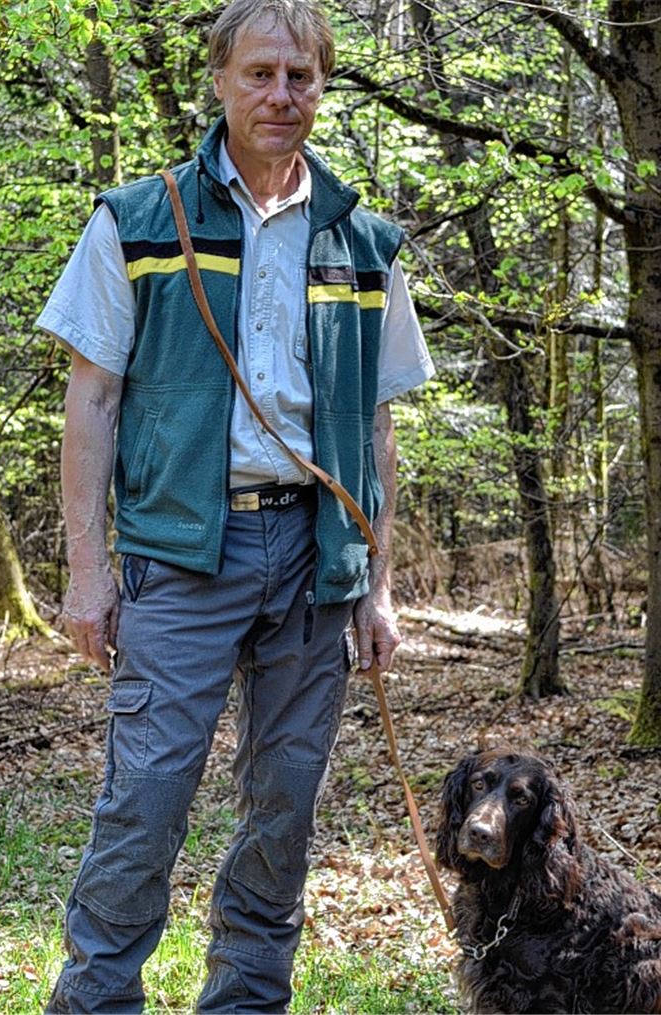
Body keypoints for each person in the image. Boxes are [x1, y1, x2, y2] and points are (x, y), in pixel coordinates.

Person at [37, 0, 433, 1010]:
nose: (280, 96)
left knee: (284, 809)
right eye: (259, 74)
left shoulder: (363, 241)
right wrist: (87, 574)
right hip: (180, 553)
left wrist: (379, 585)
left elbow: (376, 425)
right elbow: (91, 399)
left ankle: (247, 1001)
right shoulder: (138, 220)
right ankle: (97, 999)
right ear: (218, 79)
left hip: (316, 559)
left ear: (323, 86)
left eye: (300, 77)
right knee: (146, 796)